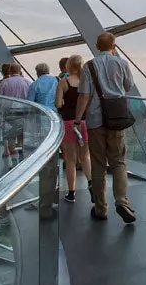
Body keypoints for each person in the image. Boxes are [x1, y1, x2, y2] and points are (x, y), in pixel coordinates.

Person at [73, 32, 136, 224]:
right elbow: (128, 86)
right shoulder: (122, 63)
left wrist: (77, 120)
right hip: (117, 118)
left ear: (97, 46)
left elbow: (84, 95)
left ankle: (100, 209)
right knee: (118, 161)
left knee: (99, 164)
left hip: (95, 121)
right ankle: (122, 201)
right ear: (113, 46)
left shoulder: (89, 66)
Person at [55, 55, 90, 203]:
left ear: (69, 66)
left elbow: (58, 104)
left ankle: (71, 193)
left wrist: (65, 104)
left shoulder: (64, 82)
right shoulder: (87, 82)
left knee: (70, 159)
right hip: (85, 122)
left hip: (69, 122)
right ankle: (91, 184)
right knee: (85, 156)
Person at [0, 64, 30, 161]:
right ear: (20, 71)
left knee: (11, 136)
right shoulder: (28, 82)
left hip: (10, 113)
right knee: (22, 136)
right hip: (24, 113)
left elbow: (0, 99)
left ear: (10, 71)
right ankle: (22, 158)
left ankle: (14, 160)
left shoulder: (5, 82)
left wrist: (0, 114)